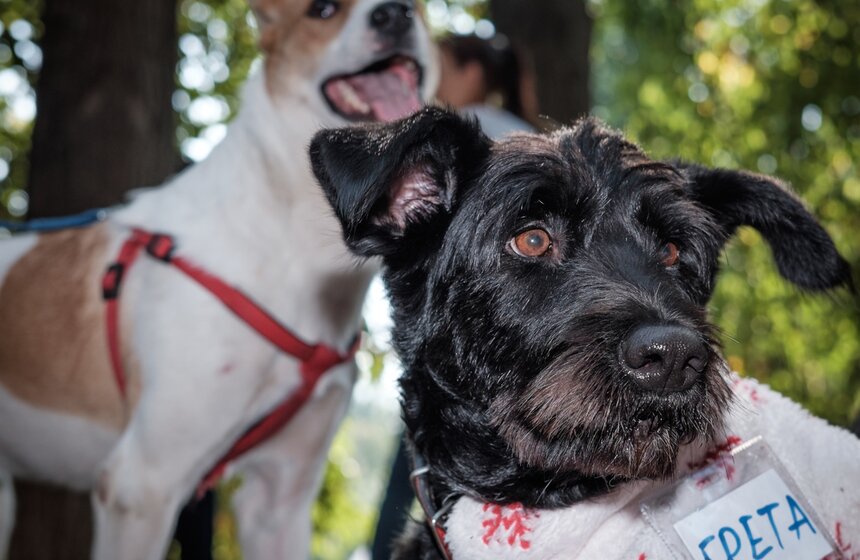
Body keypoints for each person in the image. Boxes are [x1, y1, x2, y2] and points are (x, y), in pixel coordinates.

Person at [370, 32, 538, 560]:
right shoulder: (526, 136)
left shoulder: (475, 139)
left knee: (416, 497)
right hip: (516, 376)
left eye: (436, 67)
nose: (426, 79)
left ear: (469, 73)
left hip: (462, 381)